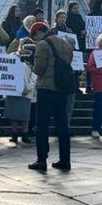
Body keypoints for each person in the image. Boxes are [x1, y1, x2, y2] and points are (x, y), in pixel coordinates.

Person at [28, 22, 75, 172]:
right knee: (62, 125)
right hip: (62, 89)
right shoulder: (66, 43)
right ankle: (65, 160)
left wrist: (31, 64)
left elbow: (39, 69)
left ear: (39, 33)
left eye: (35, 37)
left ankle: (41, 160)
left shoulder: (42, 45)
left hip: (46, 89)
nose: (35, 40)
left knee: (42, 125)